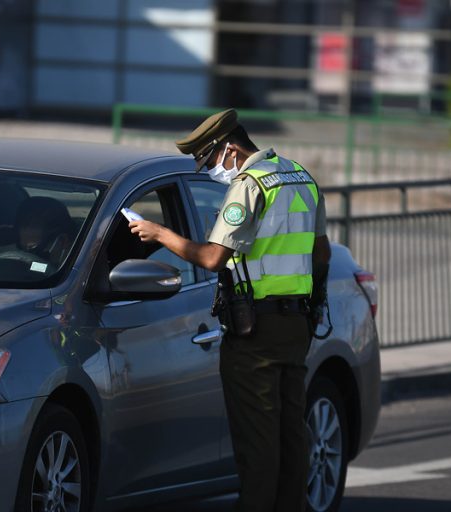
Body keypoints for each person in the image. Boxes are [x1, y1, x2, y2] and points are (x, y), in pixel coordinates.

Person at [129, 108, 331, 512]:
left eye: (211, 161)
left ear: (230, 148)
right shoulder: (299, 176)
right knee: (291, 436)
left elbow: (211, 258)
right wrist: (313, 306)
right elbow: (320, 252)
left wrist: (159, 233)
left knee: (257, 443)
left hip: (255, 331)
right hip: (295, 325)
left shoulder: (250, 184)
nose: (212, 172)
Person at [0, 196, 76, 267]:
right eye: (24, 224)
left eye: (34, 226)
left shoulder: (77, 262)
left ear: (63, 240)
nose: (25, 230)